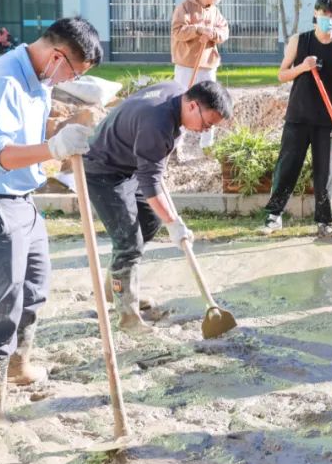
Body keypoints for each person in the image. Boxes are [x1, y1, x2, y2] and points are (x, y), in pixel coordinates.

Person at [0, 17, 102, 422]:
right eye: (74, 72)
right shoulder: (4, 81)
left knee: (35, 286)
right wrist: (53, 147)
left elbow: (27, 136)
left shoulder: (41, 79)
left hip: (23, 198)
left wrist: (64, 132)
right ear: (57, 56)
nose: (71, 80)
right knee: (3, 301)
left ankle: (19, 365)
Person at [84, 80, 232, 333]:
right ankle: (128, 316)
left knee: (150, 220)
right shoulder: (157, 124)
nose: (204, 130)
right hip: (103, 170)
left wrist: (169, 219)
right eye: (207, 123)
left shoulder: (177, 94)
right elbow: (151, 185)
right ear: (193, 105)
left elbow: (151, 173)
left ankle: (116, 289)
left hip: (128, 163)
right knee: (128, 241)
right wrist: (174, 224)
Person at [259, 0, 332, 238]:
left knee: (325, 173)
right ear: (316, 14)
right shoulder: (299, 41)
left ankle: (324, 221)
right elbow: (282, 75)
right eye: (324, 14)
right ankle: (274, 216)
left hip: (327, 121)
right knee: (287, 167)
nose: (328, 19)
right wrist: (303, 66)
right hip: (298, 116)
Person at [171, 0, 229, 149]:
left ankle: (207, 146)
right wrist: (198, 30)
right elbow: (177, 31)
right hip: (186, 66)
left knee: (211, 102)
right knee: (182, 103)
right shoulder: (185, 7)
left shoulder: (214, 11)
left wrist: (213, 34)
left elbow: (224, 31)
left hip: (208, 66)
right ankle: (175, 146)